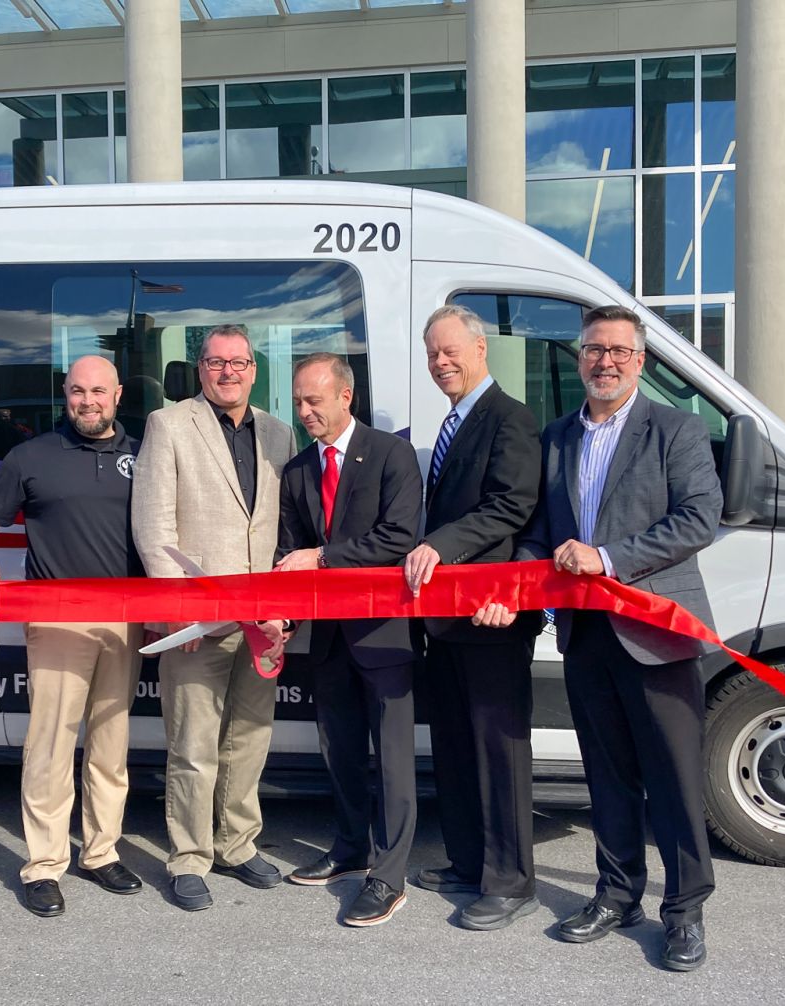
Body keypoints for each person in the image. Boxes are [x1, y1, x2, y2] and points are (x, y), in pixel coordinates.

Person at [475, 304, 723, 971]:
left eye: (617, 350)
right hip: (584, 635)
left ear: (640, 361)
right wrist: (512, 586)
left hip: (656, 631)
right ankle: (617, 894)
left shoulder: (677, 430)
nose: (604, 361)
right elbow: (538, 534)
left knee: (672, 778)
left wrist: (608, 559)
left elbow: (700, 517)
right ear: (579, 358)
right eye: (593, 349)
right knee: (607, 776)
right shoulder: (556, 438)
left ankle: (685, 910)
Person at [0, 355, 146, 919]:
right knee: (50, 748)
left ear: (117, 394)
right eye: (77, 392)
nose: (88, 402)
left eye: (98, 391)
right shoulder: (31, 456)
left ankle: (100, 851)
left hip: (127, 618)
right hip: (57, 618)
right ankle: (43, 865)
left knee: (111, 750)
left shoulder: (146, 455)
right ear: (64, 395)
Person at [130, 324, 295, 912]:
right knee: (194, 743)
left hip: (263, 622)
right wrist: (180, 615)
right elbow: (153, 527)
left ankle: (237, 844)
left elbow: (285, 531)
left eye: (239, 362)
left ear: (254, 370)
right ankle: (189, 857)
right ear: (200, 370)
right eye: (216, 362)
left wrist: (283, 609)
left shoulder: (279, 433)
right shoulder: (169, 424)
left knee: (250, 739)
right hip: (196, 624)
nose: (228, 372)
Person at [402, 304, 542, 931]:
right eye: (433, 353)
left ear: (481, 349)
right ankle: (467, 863)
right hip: (446, 620)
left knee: (497, 751)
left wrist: (443, 544)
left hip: (492, 617)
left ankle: (510, 882)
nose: (441, 363)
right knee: (456, 746)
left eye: (451, 350)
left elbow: (511, 506)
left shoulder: (509, 419)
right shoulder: (456, 421)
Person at [275, 353, 423, 927]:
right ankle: (349, 849)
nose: (305, 411)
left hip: (383, 633)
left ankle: (388, 876)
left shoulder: (391, 454)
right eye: (298, 402)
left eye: (315, 400)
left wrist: (325, 556)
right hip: (326, 637)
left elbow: (398, 538)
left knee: (391, 757)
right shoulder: (296, 471)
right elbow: (288, 555)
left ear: (346, 396)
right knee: (339, 750)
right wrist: (279, 617)